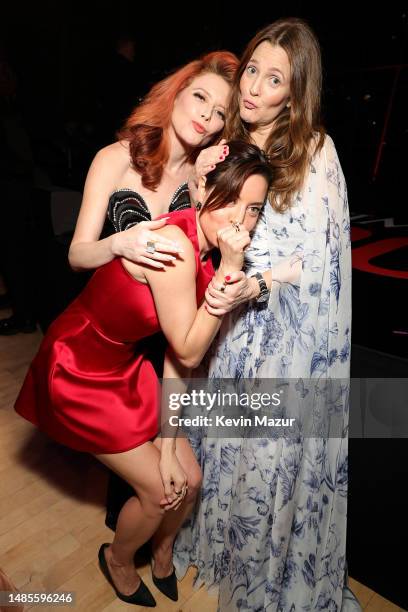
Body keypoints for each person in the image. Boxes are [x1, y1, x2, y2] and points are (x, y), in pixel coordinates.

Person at [14, 141, 273, 607]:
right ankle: (116, 558)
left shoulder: (204, 246)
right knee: (157, 492)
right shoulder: (177, 248)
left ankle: (163, 550)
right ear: (202, 187)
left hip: (124, 366)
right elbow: (191, 352)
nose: (241, 220)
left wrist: (170, 446)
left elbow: (177, 355)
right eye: (230, 200)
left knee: (188, 480)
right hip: (78, 368)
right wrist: (232, 271)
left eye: (253, 209)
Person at [173, 18, 359, 612]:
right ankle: (219, 550)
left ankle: (268, 575)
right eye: (252, 68)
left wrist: (253, 281)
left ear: (295, 91)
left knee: (266, 460)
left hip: (282, 342)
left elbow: (316, 266)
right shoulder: (233, 142)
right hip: (229, 329)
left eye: (272, 77)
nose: (252, 86)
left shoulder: (313, 150)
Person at [67, 50, 238, 534]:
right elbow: (77, 255)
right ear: (175, 94)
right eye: (199, 96)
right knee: (146, 481)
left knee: (173, 472)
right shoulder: (116, 158)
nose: (206, 113)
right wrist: (119, 242)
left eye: (220, 110)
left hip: (161, 342)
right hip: (109, 337)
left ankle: (150, 540)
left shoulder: (198, 178)